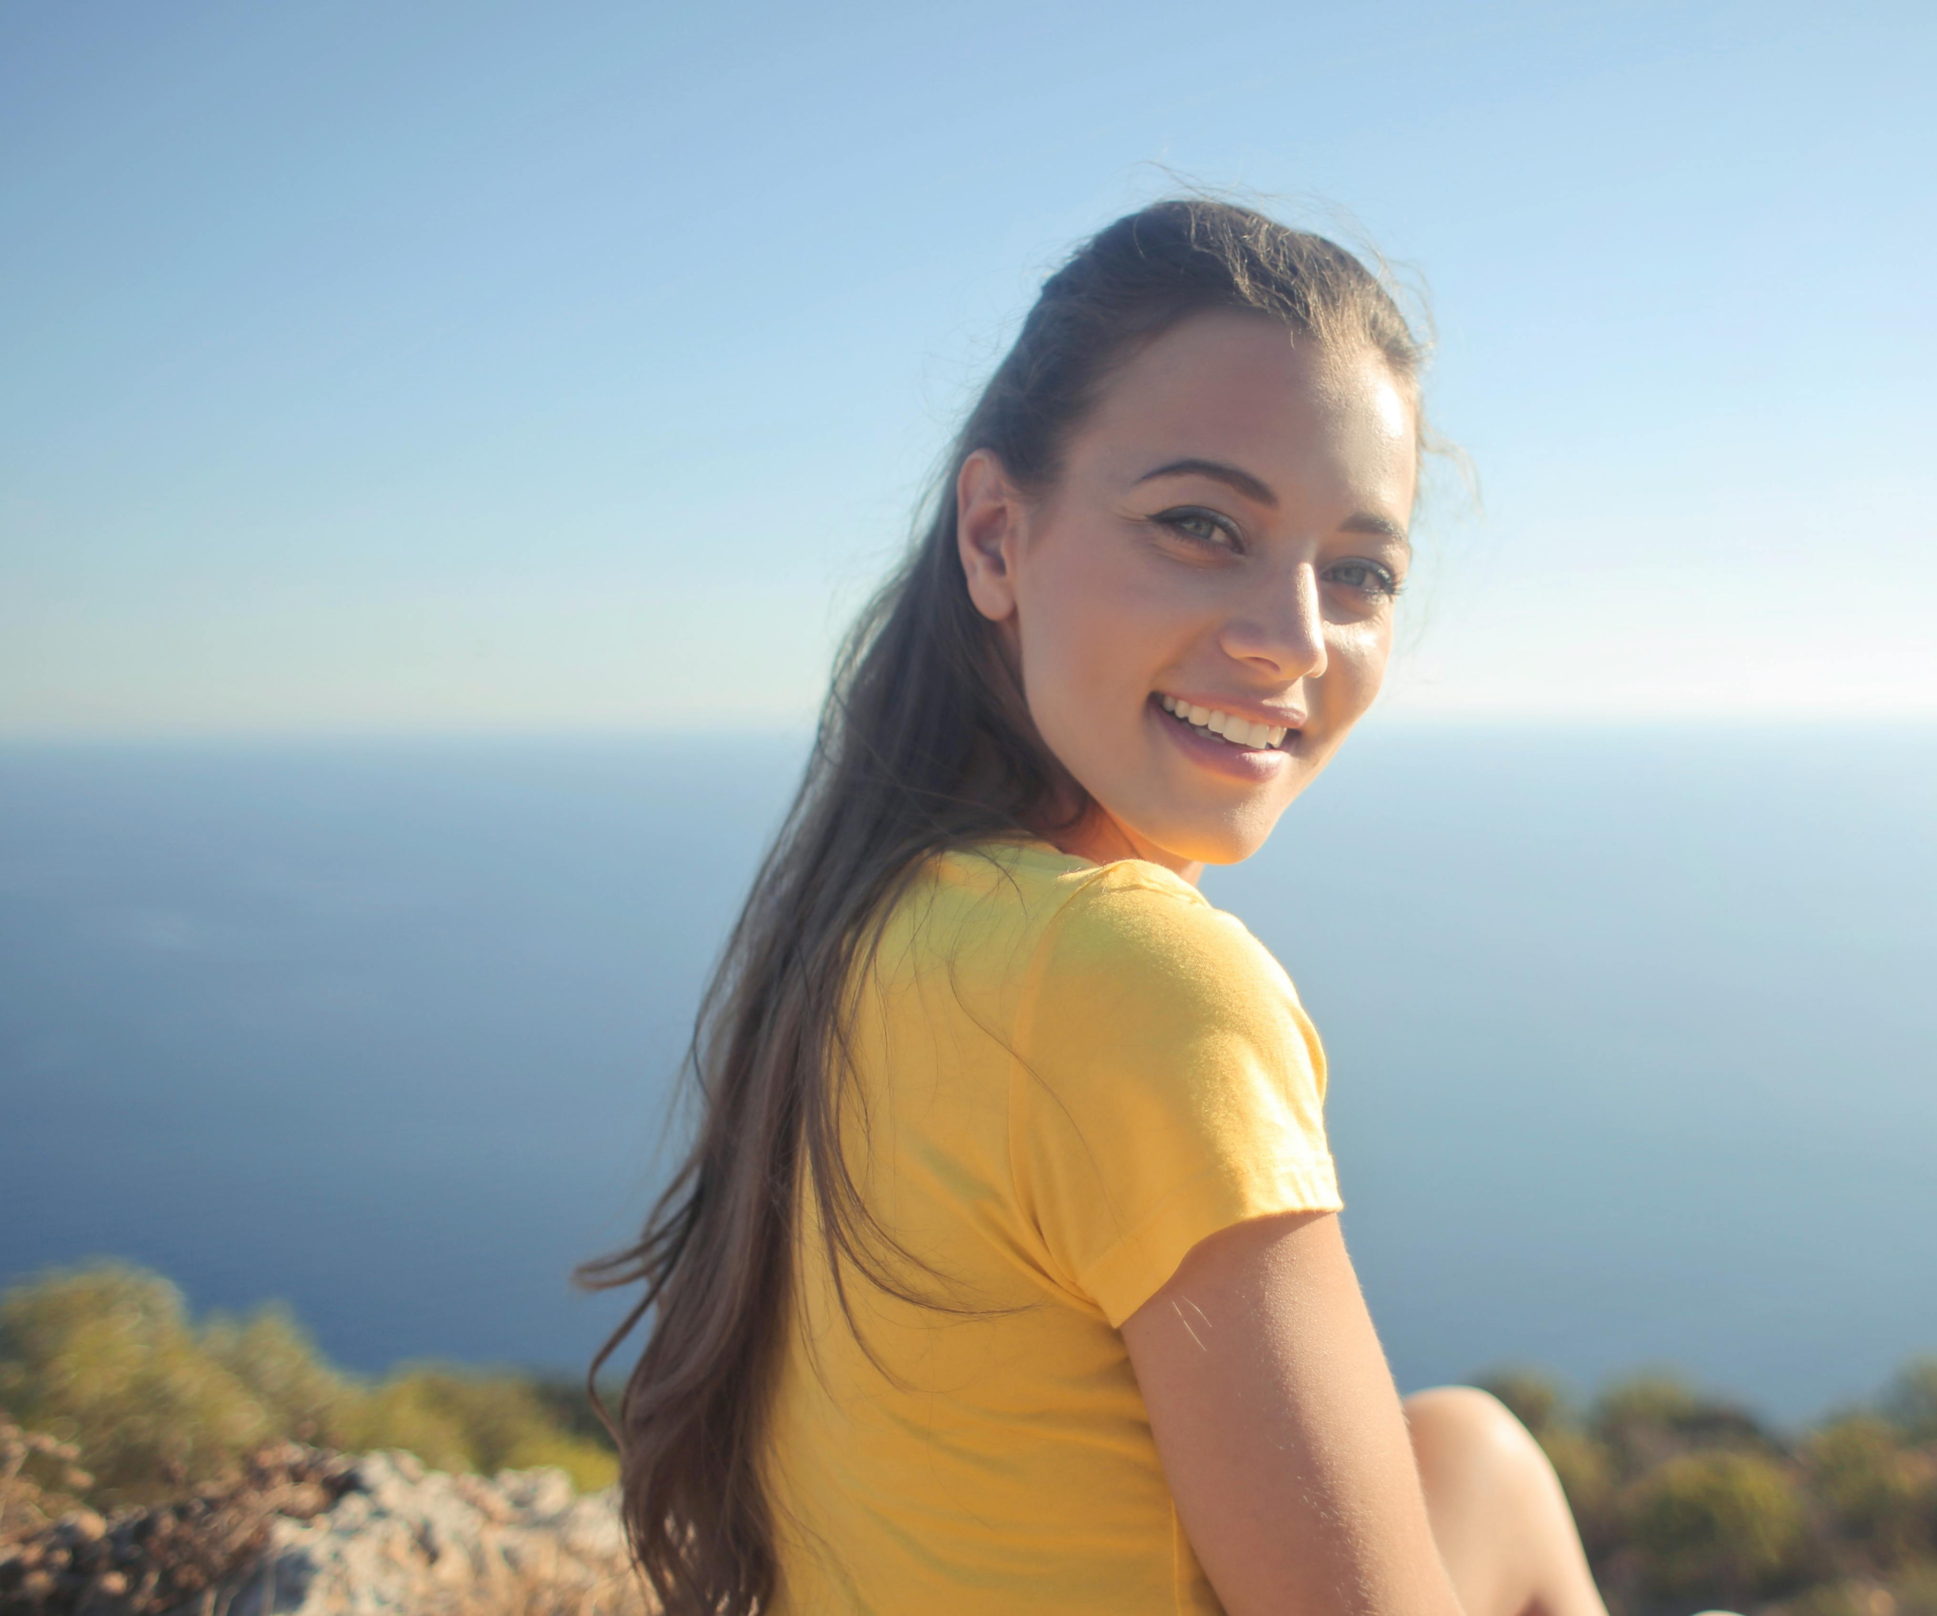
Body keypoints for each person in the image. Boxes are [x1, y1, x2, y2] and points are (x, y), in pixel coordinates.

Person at [584, 199, 1608, 1616]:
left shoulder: (884, 918)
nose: (1293, 640)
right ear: (997, 535)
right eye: (1202, 525)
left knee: (1476, 1455)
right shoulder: (1136, 980)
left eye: (1360, 571)